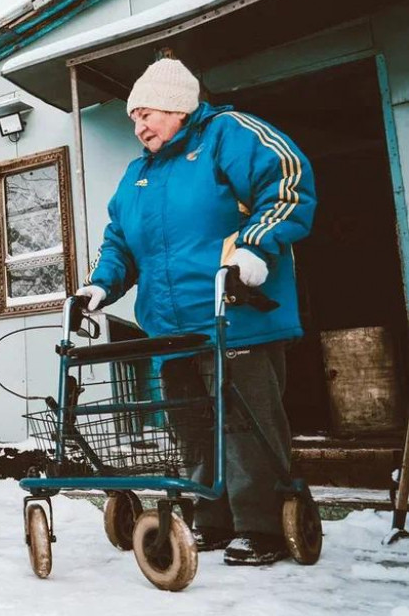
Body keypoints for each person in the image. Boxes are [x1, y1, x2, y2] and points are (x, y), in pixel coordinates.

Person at [75, 58, 316, 566]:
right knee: (193, 428)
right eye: (133, 119)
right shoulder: (137, 175)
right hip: (171, 329)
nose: (138, 127)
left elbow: (287, 183)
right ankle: (213, 519)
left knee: (246, 424)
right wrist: (100, 285)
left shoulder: (229, 134)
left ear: (178, 108)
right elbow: (120, 243)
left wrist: (254, 248)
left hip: (236, 314)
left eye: (146, 114)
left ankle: (262, 525)